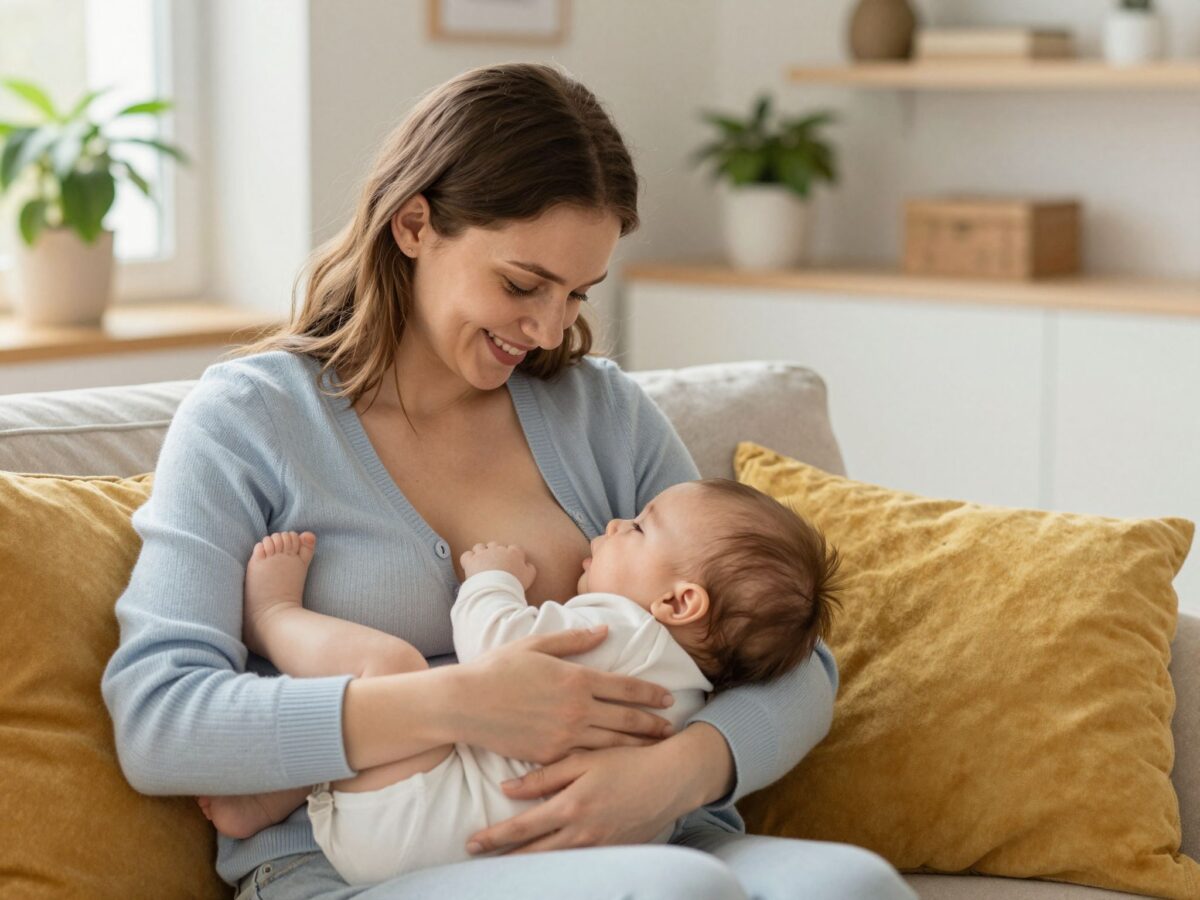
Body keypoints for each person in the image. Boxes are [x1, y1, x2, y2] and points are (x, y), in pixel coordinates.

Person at [101, 62, 916, 899]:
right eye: (522, 284)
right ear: (414, 224)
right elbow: (161, 719)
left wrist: (675, 775)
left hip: (648, 834)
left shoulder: (601, 413)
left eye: (576, 293)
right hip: (371, 863)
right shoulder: (251, 421)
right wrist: (455, 703)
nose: (548, 327)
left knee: (854, 887)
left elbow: (796, 666)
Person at [196, 477, 842, 884]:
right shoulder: (691, 688)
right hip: (473, 849)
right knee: (431, 716)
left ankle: (273, 617)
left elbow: (493, 649)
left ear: (678, 604)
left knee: (394, 676)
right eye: (522, 284)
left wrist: (490, 581)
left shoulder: (621, 631)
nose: (615, 524)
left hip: (414, 827)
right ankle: (270, 800)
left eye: (638, 528)